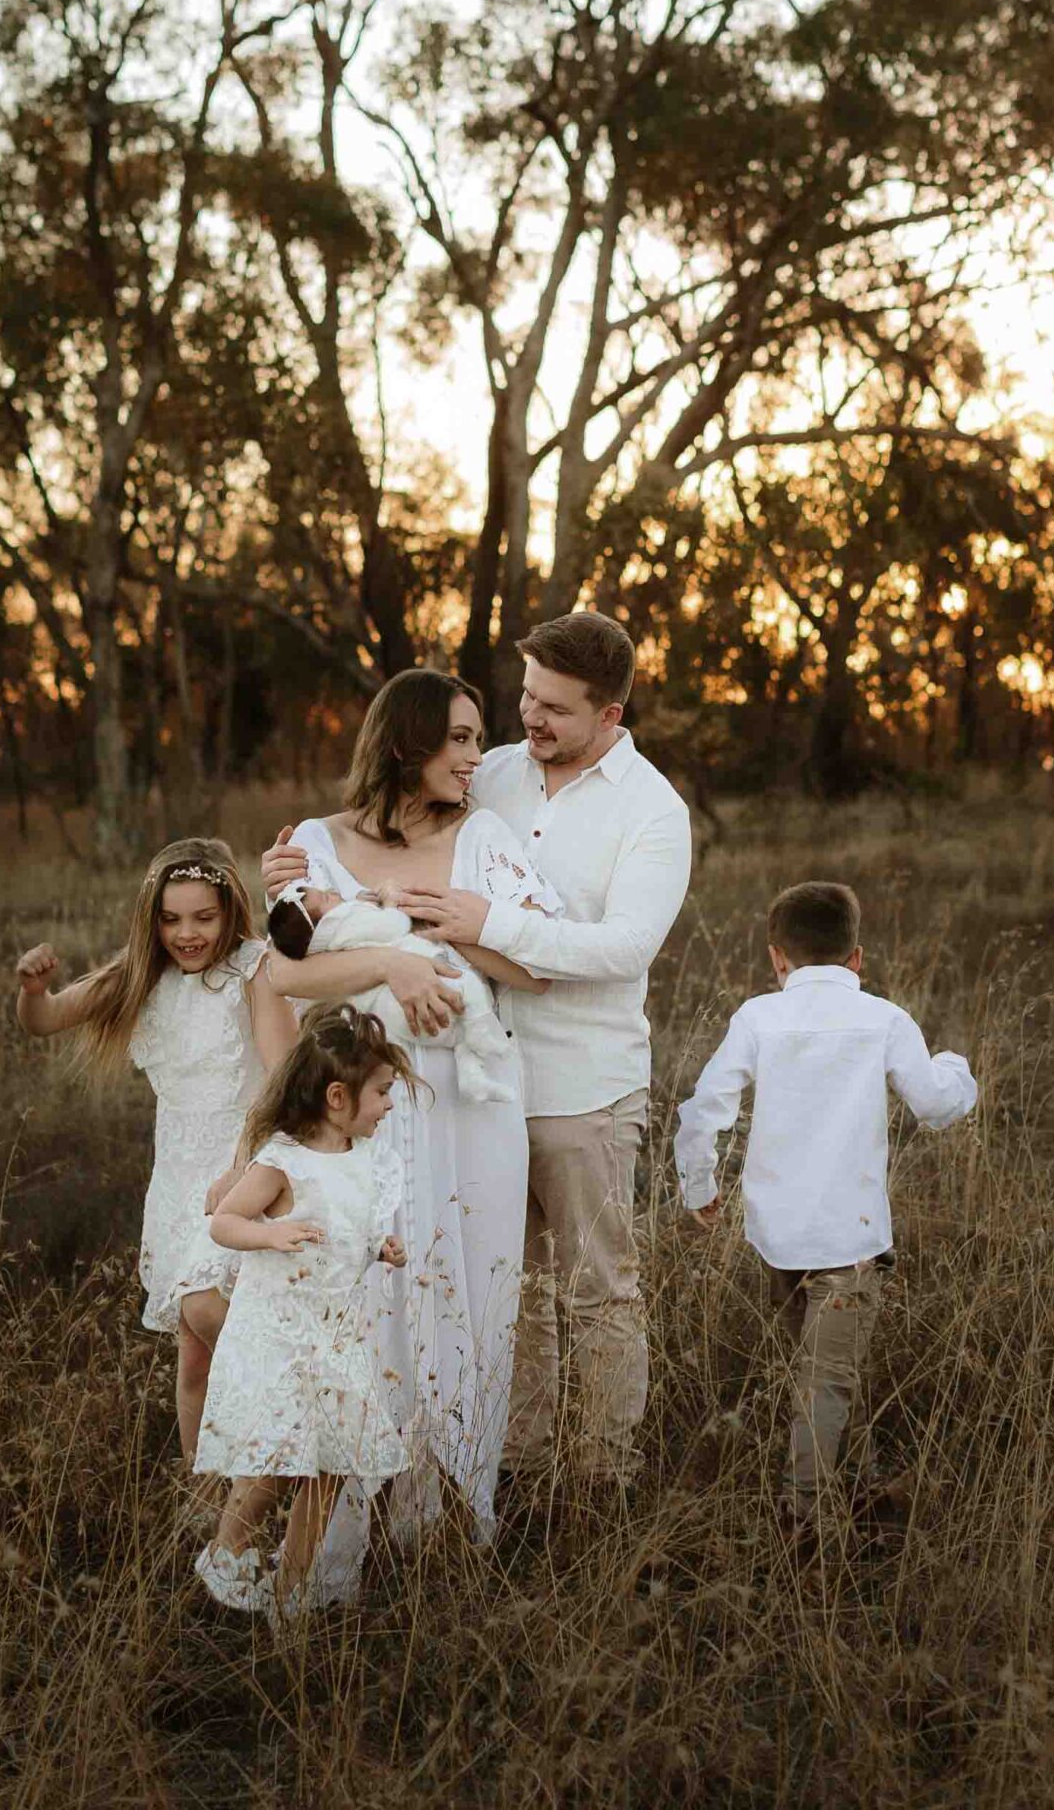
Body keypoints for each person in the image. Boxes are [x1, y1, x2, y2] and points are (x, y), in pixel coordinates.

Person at [372, 611, 693, 1492]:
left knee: (598, 1293)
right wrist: (302, 867)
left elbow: (624, 948)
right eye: (526, 696)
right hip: (476, 1083)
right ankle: (520, 1462)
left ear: (611, 717)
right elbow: (395, 832)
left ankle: (601, 1481)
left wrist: (492, 925)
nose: (530, 719)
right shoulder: (495, 775)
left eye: (554, 707)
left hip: (583, 1089)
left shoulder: (654, 813)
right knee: (506, 1290)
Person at [261, 667, 560, 1554]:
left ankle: (444, 1513)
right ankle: (346, 1514)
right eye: (460, 739)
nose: (475, 757)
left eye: (476, 739)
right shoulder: (313, 844)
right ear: (406, 745)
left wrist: (447, 931)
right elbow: (286, 970)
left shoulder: (487, 839)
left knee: (464, 1288)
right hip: (361, 1111)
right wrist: (391, 967)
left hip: (469, 1103)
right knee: (369, 1289)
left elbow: (540, 964)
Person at [673, 879, 977, 1525]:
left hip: (776, 1233)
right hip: (850, 1236)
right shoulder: (885, 1019)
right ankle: (806, 1518)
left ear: (776, 957)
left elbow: (704, 1112)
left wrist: (698, 1187)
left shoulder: (758, 1016)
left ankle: (849, 1483)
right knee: (827, 1378)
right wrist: (957, 1066)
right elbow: (937, 1105)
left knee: (814, 1369)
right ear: (857, 958)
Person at [11, 837, 301, 1463]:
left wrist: (244, 1168)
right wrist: (34, 991)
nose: (187, 934)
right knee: (193, 1356)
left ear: (230, 910)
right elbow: (47, 1019)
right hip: (177, 1182)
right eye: (171, 919)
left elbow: (282, 1078)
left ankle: (291, 1441)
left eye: (203, 917)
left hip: (244, 1173)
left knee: (213, 1312)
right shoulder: (141, 976)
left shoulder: (254, 971)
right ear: (153, 919)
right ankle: (206, 1488)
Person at [194, 1006, 414, 1617]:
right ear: (337, 1096)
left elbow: (350, 1227)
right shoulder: (283, 1160)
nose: (390, 1106)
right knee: (276, 1453)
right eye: (383, 1093)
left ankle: (292, 1594)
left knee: (331, 1466)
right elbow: (225, 1222)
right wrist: (271, 1236)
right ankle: (229, 1548)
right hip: (281, 1333)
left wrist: (381, 1247)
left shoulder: (365, 1156)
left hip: (336, 1336)